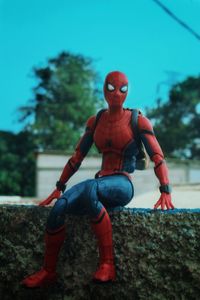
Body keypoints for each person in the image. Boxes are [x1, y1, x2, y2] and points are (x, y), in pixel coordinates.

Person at [21, 71, 174, 288]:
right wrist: (59, 187)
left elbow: (158, 157)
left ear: (128, 91)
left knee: (90, 189)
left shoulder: (138, 121)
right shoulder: (97, 121)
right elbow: (77, 157)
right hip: (99, 182)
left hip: (122, 184)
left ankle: (108, 264)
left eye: (122, 89)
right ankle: (48, 271)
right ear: (104, 89)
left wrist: (165, 189)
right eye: (111, 88)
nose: (116, 94)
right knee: (60, 207)